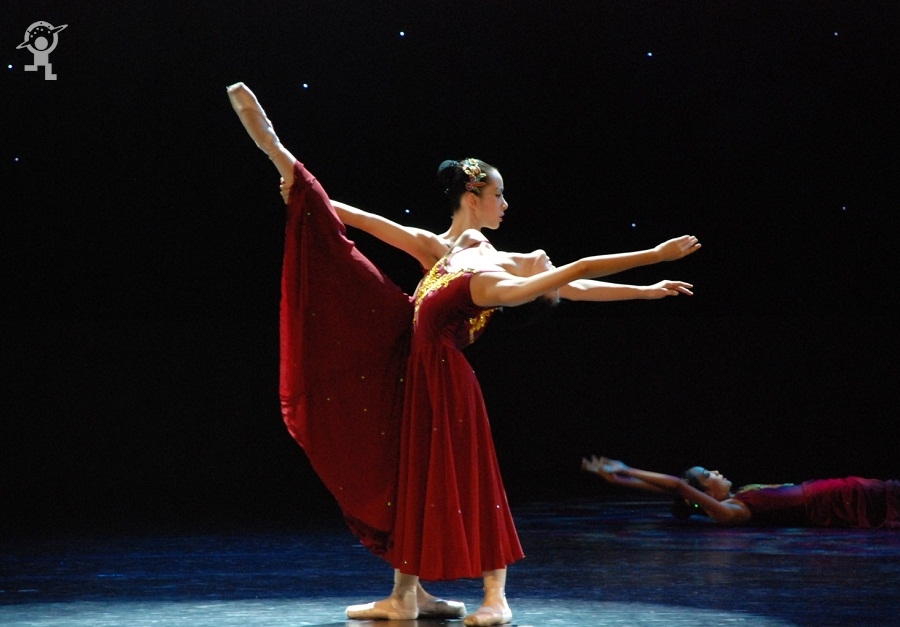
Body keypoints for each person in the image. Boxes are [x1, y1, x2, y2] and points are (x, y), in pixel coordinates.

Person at [227, 81, 701, 626]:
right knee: (412, 481)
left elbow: (572, 281)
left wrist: (647, 278)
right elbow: (367, 223)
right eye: (499, 195)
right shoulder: (440, 249)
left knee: (469, 481)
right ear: (472, 198)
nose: (506, 205)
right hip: (414, 378)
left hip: (447, 383)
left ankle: (496, 596)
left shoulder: (496, 266)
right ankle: (406, 595)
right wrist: (308, 197)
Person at [582, 455, 900, 529]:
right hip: (849, 502)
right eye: (709, 475)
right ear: (706, 494)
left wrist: (618, 480)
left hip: (850, 490)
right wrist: (627, 468)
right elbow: (678, 486)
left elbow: (677, 491)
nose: (716, 472)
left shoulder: (737, 497)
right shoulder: (734, 511)